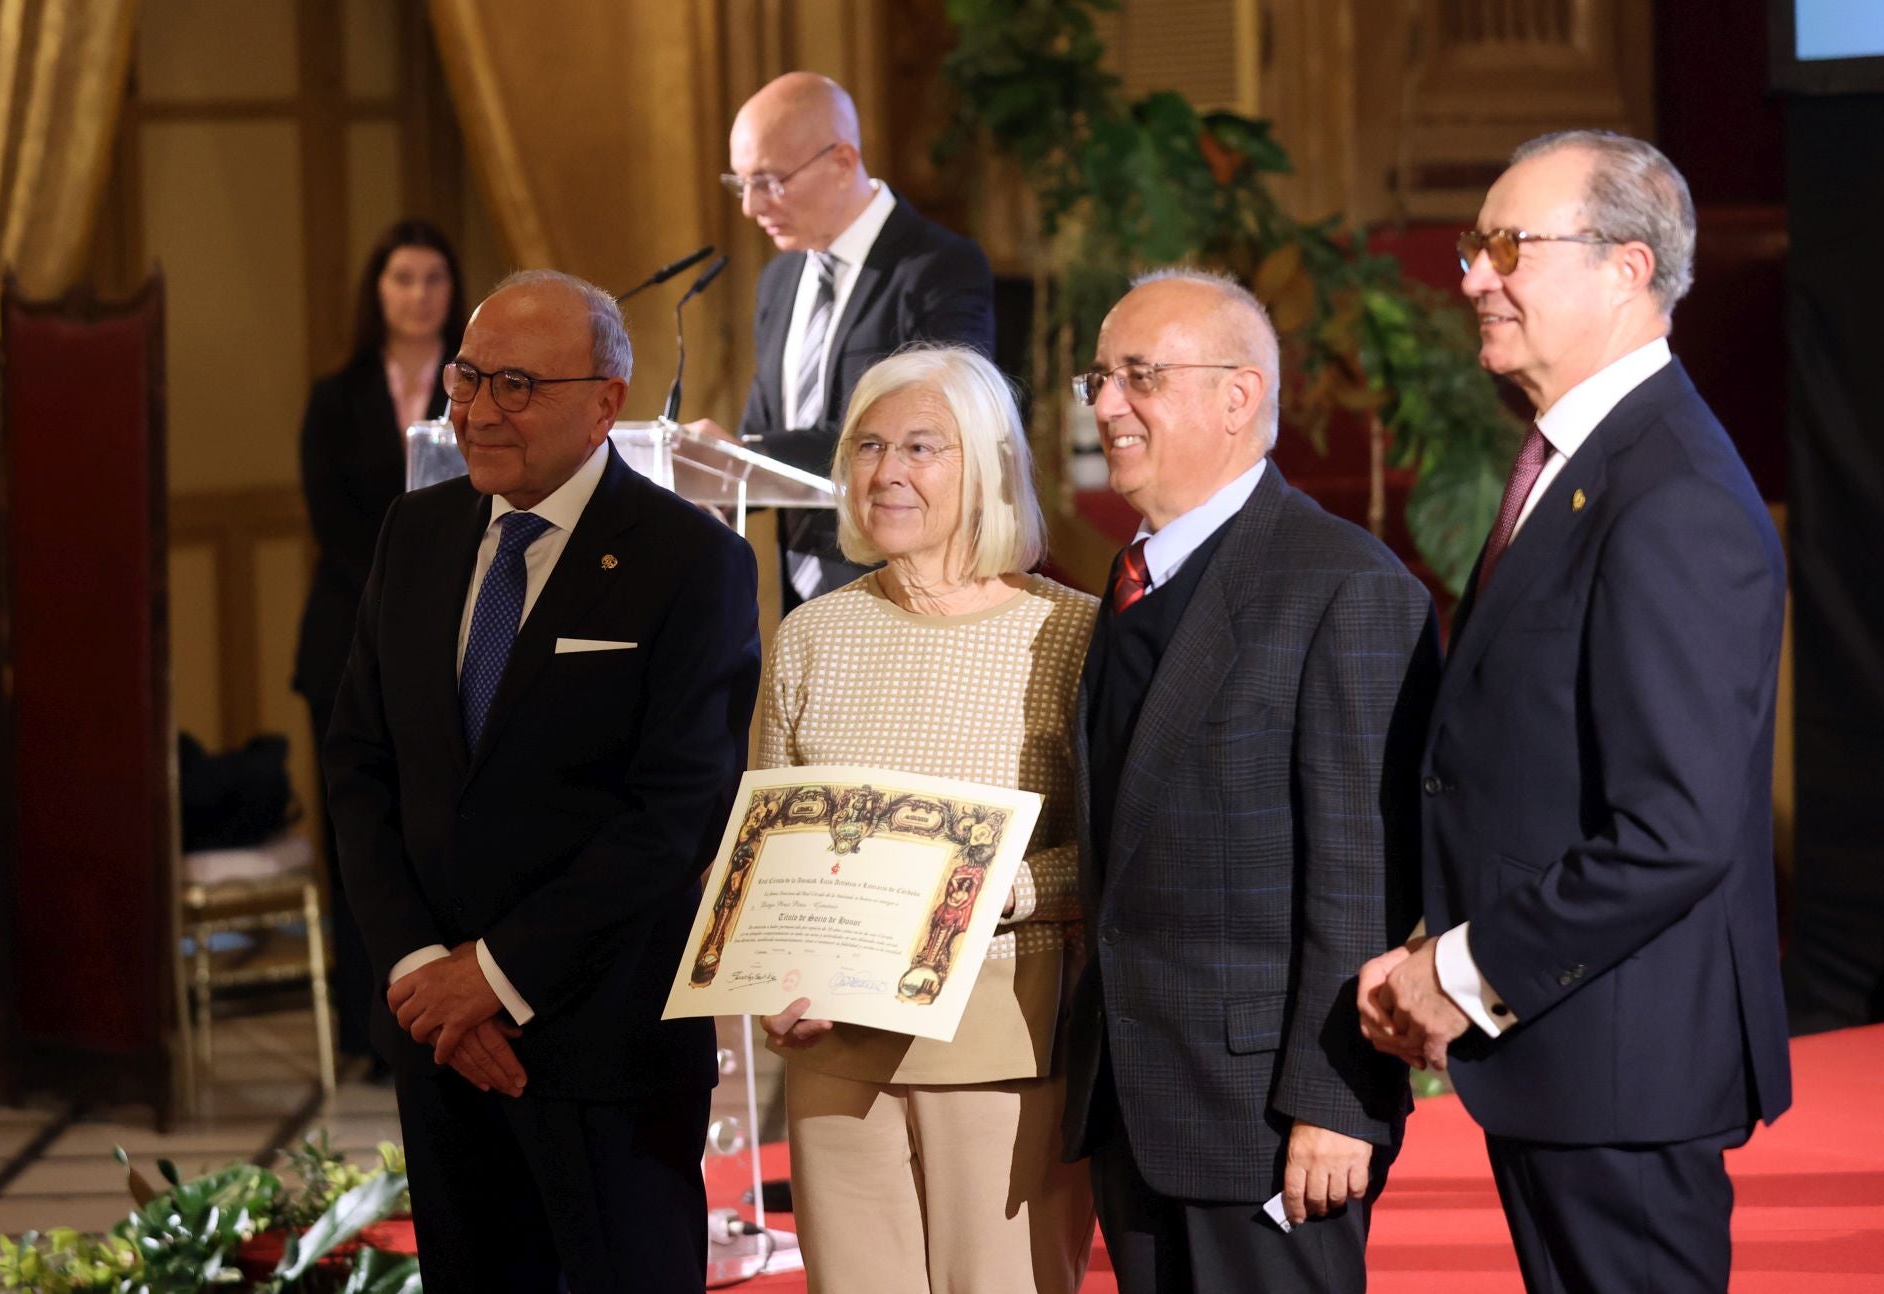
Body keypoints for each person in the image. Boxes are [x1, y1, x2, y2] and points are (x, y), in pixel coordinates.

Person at [1358, 131, 1790, 1293]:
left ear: (1626, 267)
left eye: (1508, 247)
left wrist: (1459, 968)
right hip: (1565, 1051)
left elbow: (1675, 830)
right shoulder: (1586, 458)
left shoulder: (1675, 495)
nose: (1471, 277)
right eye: (1473, 245)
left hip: (1626, 1067)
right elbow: (1529, 763)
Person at [323, 269, 761, 1292]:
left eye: (514, 384)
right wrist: (424, 971)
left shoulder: (690, 561)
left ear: (607, 399)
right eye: (466, 377)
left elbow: (675, 815)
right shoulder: (414, 533)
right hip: (440, 1046)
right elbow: (358, 764)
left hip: (605, 1049)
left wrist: (499, 975)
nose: (474, 411)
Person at [1062, 269, 1439, 1293]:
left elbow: (1365, 874)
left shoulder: (1347, 587)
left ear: (1239, 397)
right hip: (1136, 1101)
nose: (1104, 404)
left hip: (1269, 1117)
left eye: (1140, 375)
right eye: (1099, 375)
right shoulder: (1132, 576)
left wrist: (1340, 1099)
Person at [757, 346, 1097, 1294]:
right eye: (867, 446)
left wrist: (992, 884)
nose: (886, 471)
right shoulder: (809, 634)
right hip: (831, 1042)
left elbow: (1115, 854)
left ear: (987, 466)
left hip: (1003, 1040)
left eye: (920, 446)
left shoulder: (1071, 633)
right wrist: (766, 968)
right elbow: (769, 846)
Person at [685, 71, 995, 609]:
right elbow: (767, 434)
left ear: (842, 163)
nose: (751, 208)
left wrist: (747, 454)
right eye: (742, 184)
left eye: (770, 181)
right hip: (803, 600)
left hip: (908, 591)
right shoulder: (779, 281)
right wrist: (714, 477)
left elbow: (941, 432)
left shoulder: (938, 268)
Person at [293, 218, 464, 1071]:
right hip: (347, 635)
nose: (419, 294)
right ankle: (371, 1023)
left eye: (434, 278)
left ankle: (447, 1005)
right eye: (403, 278)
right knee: (354, 829)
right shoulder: (337, 394)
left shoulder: (482, 386)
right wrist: (401, 592)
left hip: (455, 638)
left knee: (435, 823)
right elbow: (332, 521)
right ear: (378, 289)